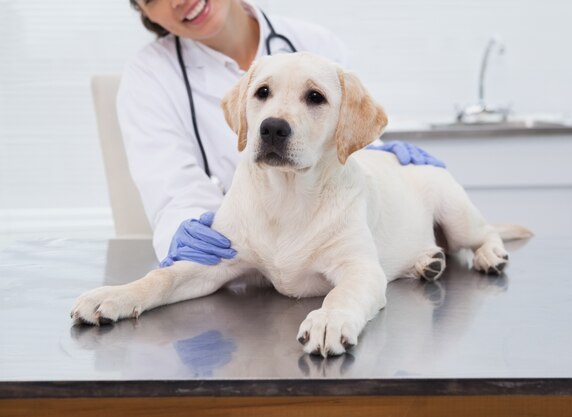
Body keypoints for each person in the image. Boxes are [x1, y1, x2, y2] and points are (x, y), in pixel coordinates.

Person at [118, 0, 445, 267]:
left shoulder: (316, 43)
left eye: (314, 96)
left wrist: (383, 154)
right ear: (146, 15)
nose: (177, 1)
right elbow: (171, 186)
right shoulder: (149, 74)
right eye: (152, 0)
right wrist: (190, 230)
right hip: (239, 258)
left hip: (324, 252)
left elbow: (350, 145)